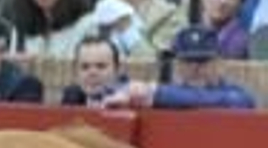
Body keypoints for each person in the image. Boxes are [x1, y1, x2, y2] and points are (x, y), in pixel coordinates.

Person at [103, 24, 256, 109]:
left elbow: (237, 101)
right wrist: (126, 91)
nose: (195, 68)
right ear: (177, 65)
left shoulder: (234, 95)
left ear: (219, 64)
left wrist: (154, 93)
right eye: (188, 62)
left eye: (203, 61)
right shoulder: (167, 95)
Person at [58, 34, 128, 106]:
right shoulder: (71, 99)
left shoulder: (129, 97)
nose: (92, 73)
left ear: (117, 69)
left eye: (101, 66)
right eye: (85, 67)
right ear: (75, 71)